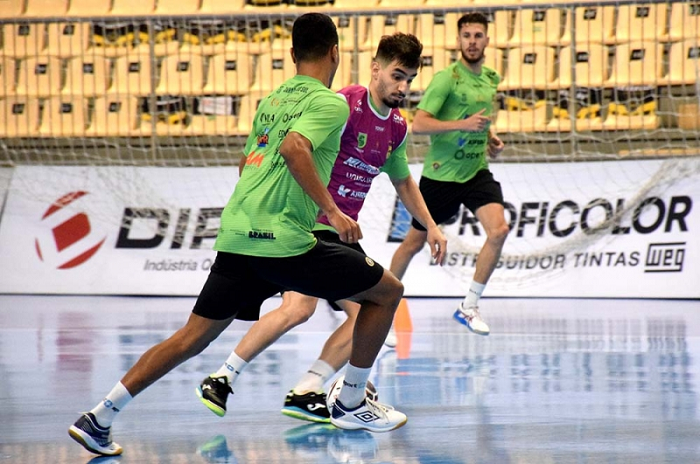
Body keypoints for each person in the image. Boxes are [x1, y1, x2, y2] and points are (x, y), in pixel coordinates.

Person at [68, 13, 408, 457]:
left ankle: (100, 416)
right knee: (386, 292)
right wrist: (333, 212)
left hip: (238, 234)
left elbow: (248, 161)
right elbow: (293, 149)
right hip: (285, 238)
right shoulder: (332, 104)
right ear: (335, 53)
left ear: (291, 55)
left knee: (190, 338)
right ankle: (349, 401)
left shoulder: (270, 102)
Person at [196, 33, 446, 424]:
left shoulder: (396, 128)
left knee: (358, 308)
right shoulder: (344, 103)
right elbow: (292, 148)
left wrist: (430, 225)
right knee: (307, 306)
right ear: (375, 68)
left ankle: (294, 387)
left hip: (340, 234)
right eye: (397, 76)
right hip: (307, 224)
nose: (404, 87)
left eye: (410, 79)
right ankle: (277, 384)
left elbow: (403, 181)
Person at [389, 12, 509, 336]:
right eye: (466, 35)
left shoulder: (491, 79)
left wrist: (489, 139)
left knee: (498, 231)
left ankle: (469, 305)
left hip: (475, 172)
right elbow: (420, 123)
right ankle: (382, 305)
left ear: (487, 40)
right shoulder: (446, 79)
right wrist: (462, 125)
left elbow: (479, 122)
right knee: (412, 244)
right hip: (442, 177)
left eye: (478, 35)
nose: (472, 41)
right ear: (458, 41)